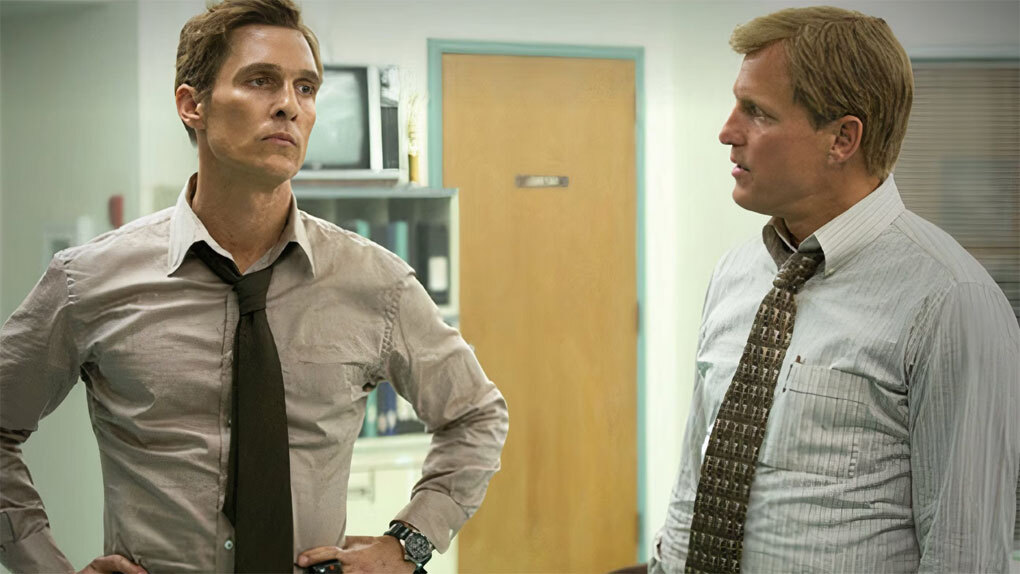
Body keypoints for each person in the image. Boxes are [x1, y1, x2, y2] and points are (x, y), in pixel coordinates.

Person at [0, 0, 508, 572]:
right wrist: (44, 566)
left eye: (305, 88)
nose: (289, 105)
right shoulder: (90, 279)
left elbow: (476, 416)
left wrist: (408, 543)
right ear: (192, 105)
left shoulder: (375, 283)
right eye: (261, 81)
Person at [651, 6, 1019, 573]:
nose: (727, 132)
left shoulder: (950, 300)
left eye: (757, 112)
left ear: (843, 138)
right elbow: (695, 480)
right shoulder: (736, 273)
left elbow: (965, 555)